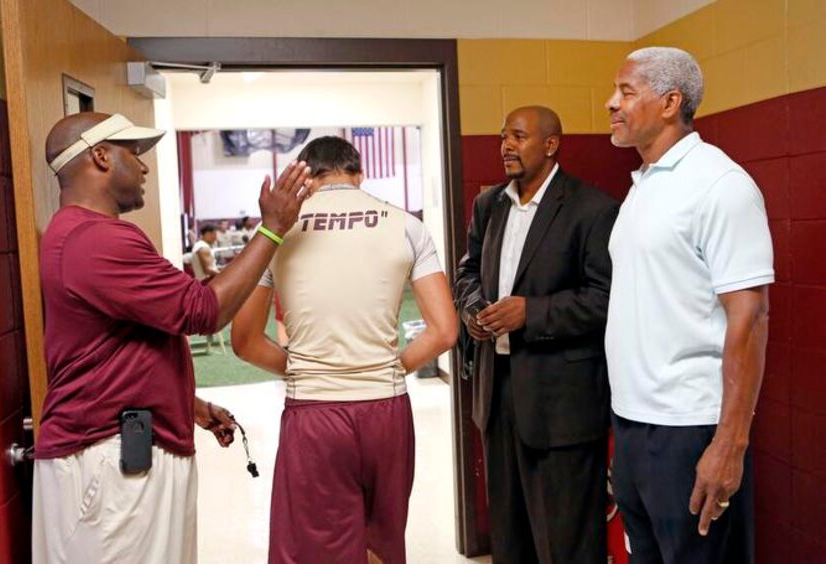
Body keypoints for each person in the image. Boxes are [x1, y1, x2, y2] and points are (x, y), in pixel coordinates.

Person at [33, 112, 311, 564]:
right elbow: (204, 311)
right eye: (134, 153)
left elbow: (119, 348)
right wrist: (272, 227)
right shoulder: (96, 240)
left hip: (119, 455)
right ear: (100, 156)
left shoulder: (82, 235)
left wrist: (188, 404)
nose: (143, 167)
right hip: (109, 467)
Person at [231, 136, 457, 564]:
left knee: (315, 551)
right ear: (359, 175)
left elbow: (244, 341)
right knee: (383, 545)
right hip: (386, 409)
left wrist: (305, 370)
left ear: (305, 180)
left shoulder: (279, 232)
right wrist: (391, 367)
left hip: (315, 412)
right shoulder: (407, 224)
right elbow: (445, 331)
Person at [605, 47, 773, 564]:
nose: (611, 103)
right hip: (633, 426)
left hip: (689, 430)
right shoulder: (644, 184)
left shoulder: (720, 186)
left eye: (626, 92)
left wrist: (729, 445)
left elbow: (751, 318)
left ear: (669, 102)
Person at [454, 105, 618, 563]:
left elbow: (605, 298)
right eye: (503, 135)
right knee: (510, 537)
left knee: (564, 541)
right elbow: (467, 272)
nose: (506, 145)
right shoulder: (488, 206)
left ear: (551, 145)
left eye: (518, 136)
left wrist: (533, 313)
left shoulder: (593, 209)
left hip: (561, 405)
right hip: (498, 394)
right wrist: (473, 310)